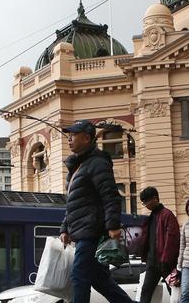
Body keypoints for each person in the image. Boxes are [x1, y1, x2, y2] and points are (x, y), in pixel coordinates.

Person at [58, 120, 134, 303]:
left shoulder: (97, 163)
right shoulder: (78, 166)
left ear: (86, 138)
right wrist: (65, 228)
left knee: (79, 276)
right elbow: (74, 203)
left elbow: (111, 195)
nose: (69, 139)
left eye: (73, 135)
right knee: (100, 281)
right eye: (68, 135)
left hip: (91, 231)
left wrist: (113, 225)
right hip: (83, 230)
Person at [139, 186, 180, 303]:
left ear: (155, 198)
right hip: (152, 262)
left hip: (166, 262)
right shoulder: (151, 217)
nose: (146, 205)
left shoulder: (167, 215)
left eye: (146, 201)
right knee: (145, 291)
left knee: (174, 292)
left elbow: (172, 238)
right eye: (143, 203)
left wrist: (166, 260)